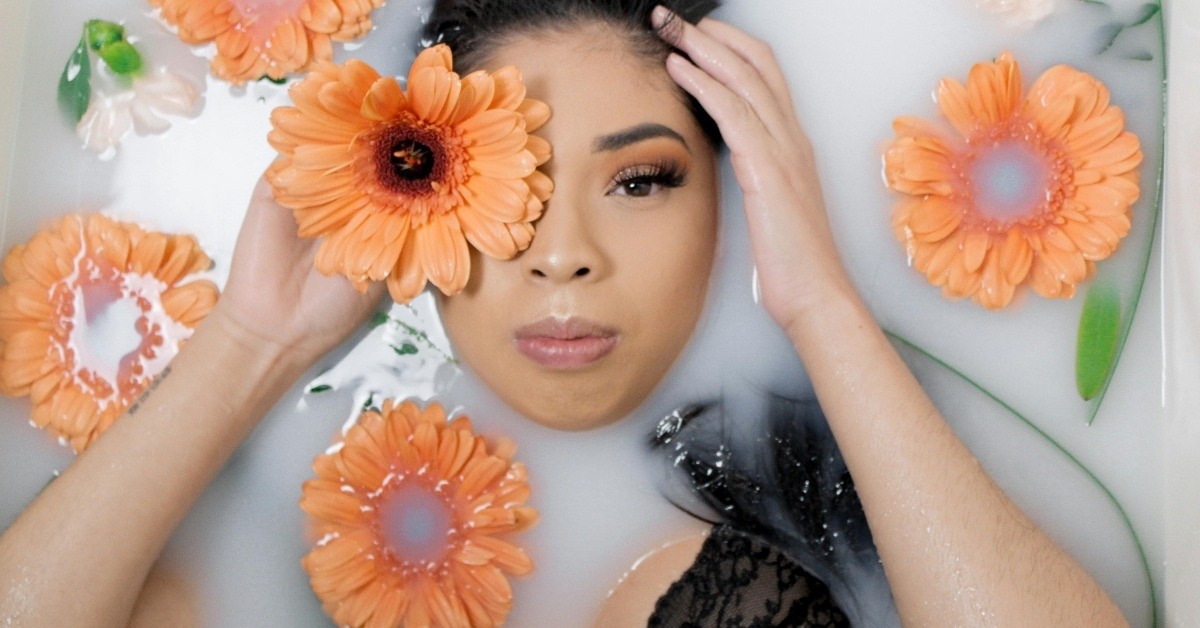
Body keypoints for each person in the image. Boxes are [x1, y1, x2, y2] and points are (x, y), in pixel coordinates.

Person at [0, 0, 1129, 625]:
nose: (567, 259)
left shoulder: (741, 559)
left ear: (735, 199)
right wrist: (252, 341)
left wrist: (821, 301)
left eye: (641, 180)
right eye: (507, 184)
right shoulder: (257, 542)